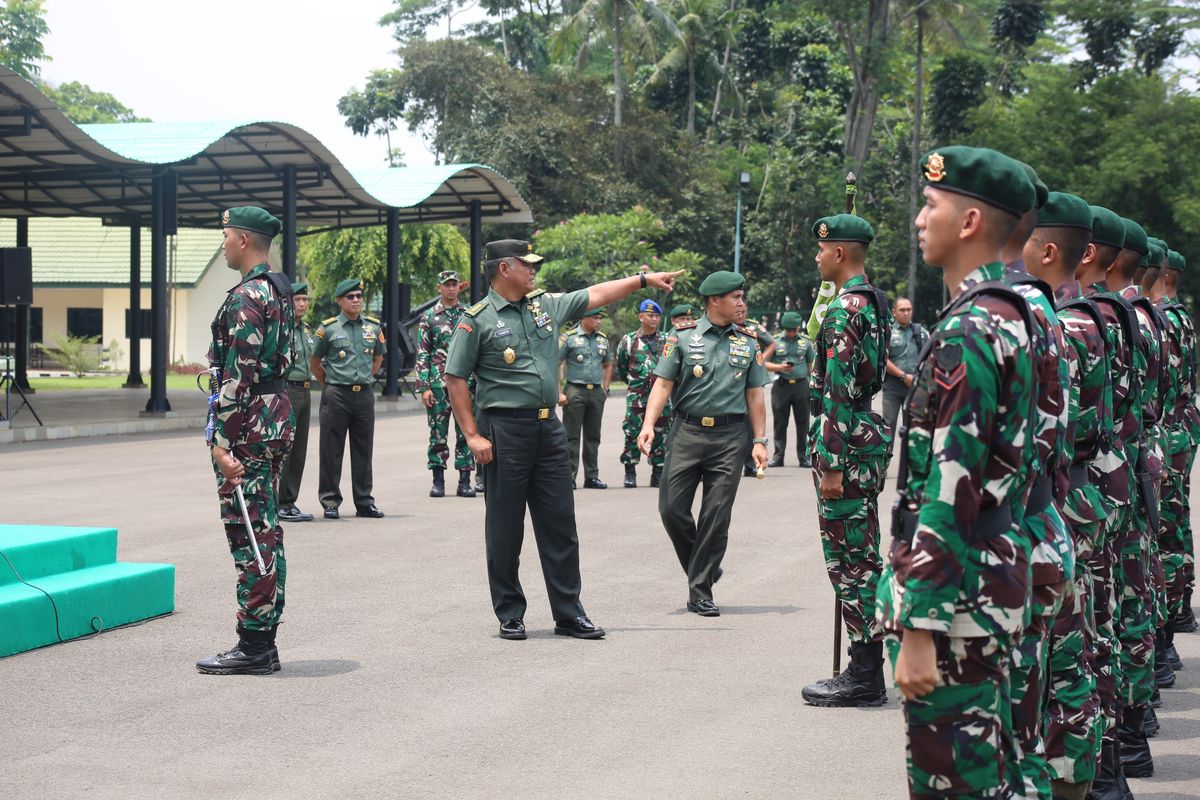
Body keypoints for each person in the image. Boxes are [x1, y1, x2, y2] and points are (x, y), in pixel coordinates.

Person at [877, 146, 1038, 798]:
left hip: (958, 602)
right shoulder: (1012, 314)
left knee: (955, 784)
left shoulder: (970, 330)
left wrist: (920, 625)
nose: (920, 217)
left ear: (969, 222)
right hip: (991, 579)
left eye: (931, 204)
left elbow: (950, 486)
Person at [444, 239, 682, 640]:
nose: (534, 269)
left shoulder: (545, 305)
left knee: (560, 524)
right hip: (504, 429)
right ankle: (510, 612)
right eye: (527, 264)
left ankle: (568, 612)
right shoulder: (477, 319)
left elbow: (597, 293)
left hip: (548, 428)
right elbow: (454, 379)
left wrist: (643, 280)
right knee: (505, 527)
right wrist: (471, 435)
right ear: (505, 269)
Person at [1024, 190, 1110, 798]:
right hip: (1084, 490)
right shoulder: (1086, 319)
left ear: (1049, 249)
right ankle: (1097, 774)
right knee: (1078, 656)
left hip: (1051, 505)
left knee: (1052, 669)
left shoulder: (1052, 322)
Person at [1000, 164, 1073, 800]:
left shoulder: (998, 318)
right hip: (1053, 520)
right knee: (1038, 699)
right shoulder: (1044, 311)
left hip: (1006, 546)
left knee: (1000, 736)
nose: (920, 219)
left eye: (934, 204)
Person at [800, 213, 893, 708]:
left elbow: (836, 390)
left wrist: (831, 462)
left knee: (851, 563)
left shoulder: (844, 312)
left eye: (821, 250)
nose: (817, 257)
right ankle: (868, 665)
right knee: (864, 554)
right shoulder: (872, 301)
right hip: (865, 434)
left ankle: (863, 674)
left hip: (847, 442)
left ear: (839, 253)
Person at [196, 206, 294, 676]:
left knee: (250, 532)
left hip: (249, 426)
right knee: (266, 527)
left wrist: (221, 442)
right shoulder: (279, 290)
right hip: (273, 419)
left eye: (226, 236)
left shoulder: (247, 296)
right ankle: (263, 641)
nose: (222, 243)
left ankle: (253, 645)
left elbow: (239, 377)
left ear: (243, 240)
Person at [637, 270, 769, 617]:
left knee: (716, 516)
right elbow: (663, 384)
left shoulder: (749, 340)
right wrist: (648, 425)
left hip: (730, 437)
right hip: (687, 431)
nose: (741, 303)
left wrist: (759, 441)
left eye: (742, 297)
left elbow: (755, 395)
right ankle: (705, 565)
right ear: (715, 300)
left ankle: (700, 591)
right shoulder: (680, 337)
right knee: (671, 508)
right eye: (735, 297)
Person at [1077, 205, 1140, 797]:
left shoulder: (1081, 319)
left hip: (1084, 486)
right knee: (1110, 616)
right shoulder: (1128, 316)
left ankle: (1101, 768)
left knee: (1089, 629)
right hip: (1115, 473)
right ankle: (1116, 755)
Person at [310, 278, 386, 520]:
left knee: (364, 450)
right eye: (350, 297)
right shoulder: (328, 328)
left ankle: (364, 501)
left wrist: (362, 378)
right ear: (339, 301)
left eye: (359, 296)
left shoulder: (373, 327)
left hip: (363, 394)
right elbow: (315, 363)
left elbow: (377, 359)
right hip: (337, 395)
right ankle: (330, 501)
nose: (356, 301)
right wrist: (332, 381)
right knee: (331, 450)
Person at [416, 270, 476, 499]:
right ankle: (438, 481)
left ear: (460, 287)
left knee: (467, 432)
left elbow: (476, 349)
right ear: (438, 288)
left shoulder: (469, 314)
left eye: (454, 284)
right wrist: (425, 387)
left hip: (465, 384)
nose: (451, 288)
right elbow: (423, 353)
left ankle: (465, 481)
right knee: (437, 434)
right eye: (446, 284)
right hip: (438, 385)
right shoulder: (429, 317)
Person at [616, 299, 667, 488]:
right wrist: (635, 384)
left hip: (661, 396)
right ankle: (630, 471)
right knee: (632, 431)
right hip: (637, 396)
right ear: (640, 316)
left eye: (656, 316)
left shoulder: (666, 341)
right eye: (650, 315)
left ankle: (658, 472)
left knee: (661, 432)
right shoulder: (629, 341)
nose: (654, 319)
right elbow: (622, 368)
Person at [559, 307, 612, 488]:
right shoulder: (569, 338)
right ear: (584, 319)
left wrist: (606, 388)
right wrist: (559, 391)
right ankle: (568, 476)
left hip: (596, 391)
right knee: (571, 436)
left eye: (600, 319)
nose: (599, 322)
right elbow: (557, 363)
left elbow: (607, 365)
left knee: (593, 436)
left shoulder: (602, 339)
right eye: (595, 318)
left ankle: (592, 476)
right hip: (575, 389)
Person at [278, 281, 316, 523]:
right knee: (285, 450)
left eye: (305, 300)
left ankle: (290, 501)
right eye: (297, 300)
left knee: (299, 450)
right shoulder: (282, 328)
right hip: (287, 389)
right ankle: (279, 502)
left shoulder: (307, 330)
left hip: (305, 391)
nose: (302, 304)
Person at [765, 310, 815, 467]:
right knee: (780, 422)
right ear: (784, 328)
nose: (792, 333)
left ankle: (804, 457)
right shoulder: (775, 342)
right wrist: (780, 367)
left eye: (794, 330)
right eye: (789, 330)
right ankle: (778, 456)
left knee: (803, 423)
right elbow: (763, 363)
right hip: (781, 386)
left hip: (801, 385)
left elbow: (811, 367)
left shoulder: (806, 343)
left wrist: (814, 384)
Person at [882, 297, 928, 437]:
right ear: (894, 312)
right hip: (892, 387)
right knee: (887, 427)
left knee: (916, 429)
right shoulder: (887, 332)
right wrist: (903, 375)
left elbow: (928, 358)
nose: (906, 313)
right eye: (902, 310)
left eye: (909, 310)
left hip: (915, 387)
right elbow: (883, 358)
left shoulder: (921, 333)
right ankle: (885, 459)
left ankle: (911, 459)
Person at [741, 318, 777, 477]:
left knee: (750, 423)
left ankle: (750, 464)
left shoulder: (753, 327)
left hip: (749, 380)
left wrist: (761, 358)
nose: (740, 306)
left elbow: (771, 343)